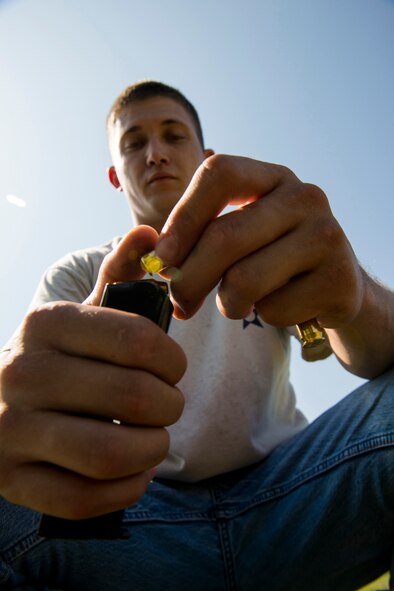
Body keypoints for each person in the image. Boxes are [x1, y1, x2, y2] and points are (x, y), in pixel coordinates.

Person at [0, 80, 393, 591]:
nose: (156, 153)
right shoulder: (77, 273)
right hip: (135, 518)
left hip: (298, 493)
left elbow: (367, 357)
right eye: (134, 142)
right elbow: (24, 401)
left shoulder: (267, 241)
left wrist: (355, 294)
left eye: (173, 135)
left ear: (205, 155)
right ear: (116, 176)